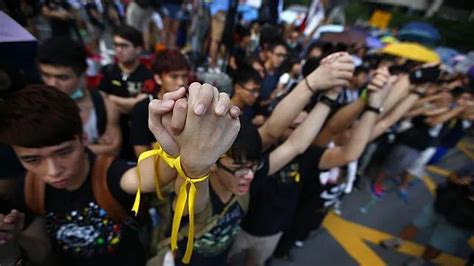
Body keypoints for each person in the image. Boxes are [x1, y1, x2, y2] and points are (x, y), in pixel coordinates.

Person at [0, 83, 240, 265]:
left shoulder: (109, 174)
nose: (53, 171)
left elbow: (143, 176)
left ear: (83, 138)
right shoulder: (28, 190)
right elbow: (41, 251)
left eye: (63, 152)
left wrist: (183, 147)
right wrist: (13, 243)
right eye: (32, 159)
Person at [152, 52, 356, 265]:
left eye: (252, 166)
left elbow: (294, 143)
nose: (248, 176)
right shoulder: (198, 189)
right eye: (239, 167)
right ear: (212, 164)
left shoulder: (247, 177)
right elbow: (193, 185)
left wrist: (326, 94)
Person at [37, 37, 122, 157]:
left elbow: (112, 150)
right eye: (46, 75)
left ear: (82, 75)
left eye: (62, 77)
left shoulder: (105, 105)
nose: (52, 84)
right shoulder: (34, 107)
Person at [380, 167, 474, 265]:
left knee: (439, 244)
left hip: (463, 222)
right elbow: (452, 175)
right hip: (445, 204)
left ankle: (422, 259)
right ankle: (397, 241)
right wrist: (458, 180)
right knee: (417, 223)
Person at [98, 25, 154, 160]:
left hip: (138, 136)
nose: (118, 50)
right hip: (110, 135)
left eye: (124, 46)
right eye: (116, 45)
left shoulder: (147, 75)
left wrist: (111, 99)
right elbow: (100, 99)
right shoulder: (108, 71)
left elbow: (140, 104)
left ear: (138, 48)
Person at [131, 49, 191, 157]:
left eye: (185, 76)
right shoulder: (142, 109)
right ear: (158, 78)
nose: (181, 82)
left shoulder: (194, 105)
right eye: (174, 76)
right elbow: (143, 155)